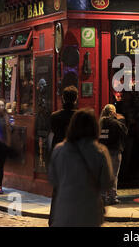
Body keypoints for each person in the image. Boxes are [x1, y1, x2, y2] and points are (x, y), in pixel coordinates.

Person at [48, 108, 113, 227]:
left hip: (64, 213)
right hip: (90, 214)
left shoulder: (59, 150)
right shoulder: (100, 152)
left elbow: (53, 179)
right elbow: (107, 183)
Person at [46, 85, 78, 226]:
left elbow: (51, 136)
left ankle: (54, 220)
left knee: (57, 190)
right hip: (75, 158)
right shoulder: (79, 117)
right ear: (76, 99)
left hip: (59, 156)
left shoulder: (55, 116)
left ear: (63, 98)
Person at [98, 104, 128, 205]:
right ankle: (112, 197)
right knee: (114, 175)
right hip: (114, 151)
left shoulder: (99, 123)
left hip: (102, 152)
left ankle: (102, 196)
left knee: (103, 174)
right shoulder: (116, 123)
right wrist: (120, 119)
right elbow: (125, 132)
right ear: (113, 112)